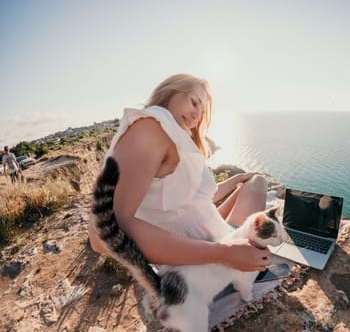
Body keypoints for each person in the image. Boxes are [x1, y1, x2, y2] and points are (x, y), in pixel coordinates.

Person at [88, 74, 271, 272]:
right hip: (211, 265)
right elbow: (101, 235)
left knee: (252, 183)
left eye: (200, 114)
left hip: (216, 244)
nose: (195, 117)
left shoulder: (169, 136)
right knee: (258, 185)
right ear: (170, 92)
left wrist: (236, 180)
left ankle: (220, 229)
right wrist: (223, 253)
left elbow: (198, 199)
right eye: (194, 103)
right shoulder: (150, 128)